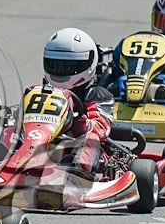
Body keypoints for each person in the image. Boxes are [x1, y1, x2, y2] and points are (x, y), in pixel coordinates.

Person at [41, 27, 113, 174]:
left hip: (79, 148)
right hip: (42, 143)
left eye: (68, 67)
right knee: (8, 130)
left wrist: (79, 120)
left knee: (90, 139)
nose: (60, 73)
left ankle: (78, 174)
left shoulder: (97, 95)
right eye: (54, 65)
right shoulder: (41, 91)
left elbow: (100, 129)